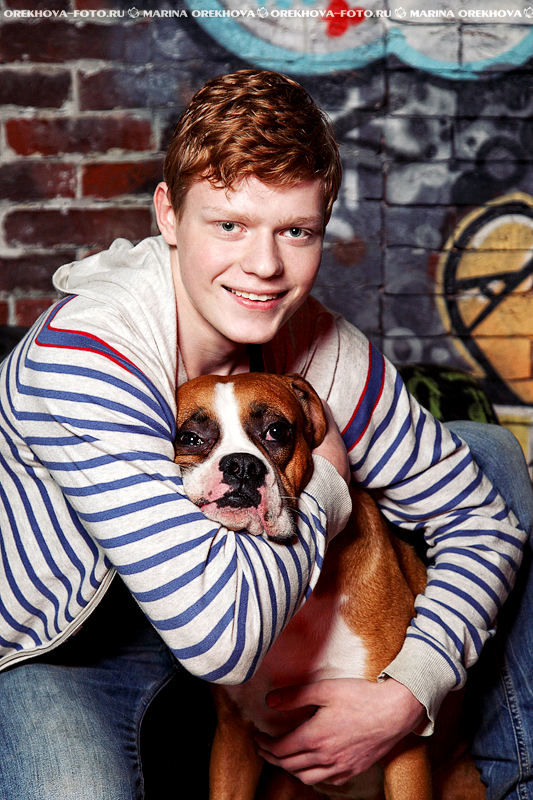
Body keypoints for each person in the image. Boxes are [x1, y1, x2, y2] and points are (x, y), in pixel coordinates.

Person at [0, 68, 530, 800]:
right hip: (66, 644)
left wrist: (410, 691)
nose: (264, 266)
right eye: (230, 225)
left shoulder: (321, 350)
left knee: (488, 454)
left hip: (259, 614)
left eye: (295, 231)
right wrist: (328, 484)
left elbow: (481, 524)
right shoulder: (86, 357)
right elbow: (218, 637)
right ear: (167, 214)